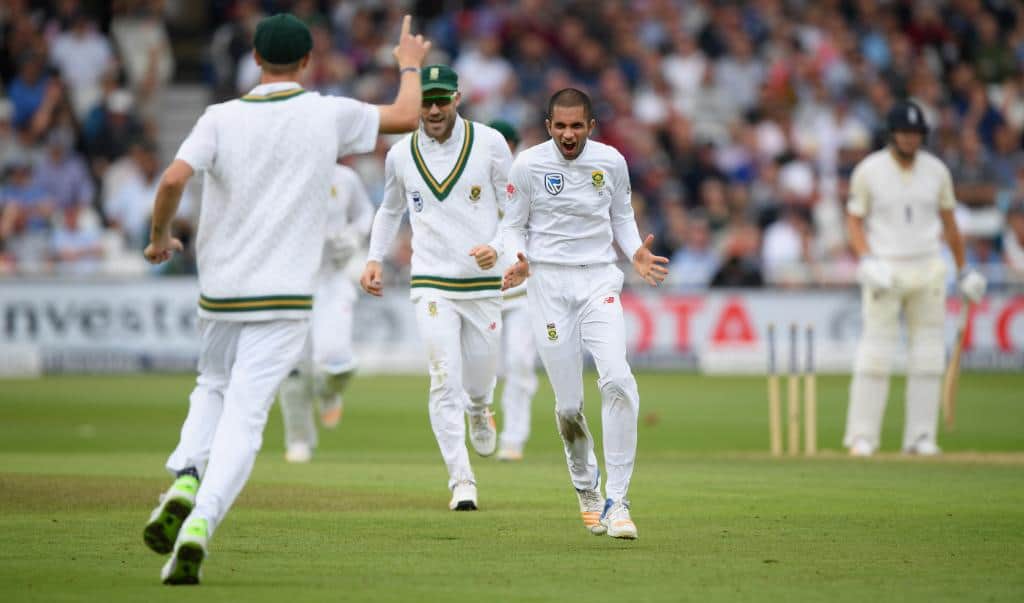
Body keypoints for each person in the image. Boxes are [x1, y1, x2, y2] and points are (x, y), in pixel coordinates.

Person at [140, 13, 429, 585]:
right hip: (285, 296)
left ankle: (184, 477)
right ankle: (201, 521)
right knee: (246, 416)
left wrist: (159, 237)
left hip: (221, 294)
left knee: (211, 387)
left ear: (254, 57)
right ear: (307, 61)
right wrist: (410, 64)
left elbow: (172, 180)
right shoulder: (326, 112)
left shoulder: (219, 117)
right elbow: (406, 115)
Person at [501, 88, 668, 540]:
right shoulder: (529, 165)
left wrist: (634, 253)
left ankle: (619, 501)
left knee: (617, 379)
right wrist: (515, 259)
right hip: (548, 285)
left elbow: (621, 216)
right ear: (548, 124)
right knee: (570, 407)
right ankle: (585, 487)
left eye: (577, 126)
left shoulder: (611, 161)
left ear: (591, 126)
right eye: (561, 126)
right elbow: (512, 223)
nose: (569, 134)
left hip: (599, 279)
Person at [361, 65, 513, 511]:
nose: (432, 108)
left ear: (457, 98)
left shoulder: (489, 143)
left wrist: (498, 247)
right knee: (443, 378)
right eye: (426, 100)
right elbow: (390, 211)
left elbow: (514, 209)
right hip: (431, 281)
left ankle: (480, 406)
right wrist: (374, 258)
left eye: (441, 99)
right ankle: (460, 479)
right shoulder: (400, 153)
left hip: (483, 282)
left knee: (480, 377)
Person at [844, 100, 986, 457]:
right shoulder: (869, 171)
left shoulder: (936, 171)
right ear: (892, 134)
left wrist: (963, 267)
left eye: (915, 134)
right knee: (875, 353)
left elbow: (950, 224)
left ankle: (920, 437)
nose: (909, 139)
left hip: (927, 267)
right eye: (904, 133)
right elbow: (854, 221)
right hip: (885, 270)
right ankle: (862, 437)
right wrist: (867, 260)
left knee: (927, 356)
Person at [278, 163, 374, 463]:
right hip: (290, 282)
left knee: (337, 362)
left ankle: (329, 390)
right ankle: (298, 440)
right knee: (294, 368)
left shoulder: (345, 178)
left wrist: (354, 237)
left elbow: (365, 214)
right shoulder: (284, 175)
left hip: (332, 280)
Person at [487, 119, 538, 462]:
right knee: (484, 366)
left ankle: (513, 439)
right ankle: (481, 417)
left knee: (519, 363)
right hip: (483, 290)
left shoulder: (529, 178)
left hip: (522, 290)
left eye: (507, 142)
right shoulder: (471, 176)